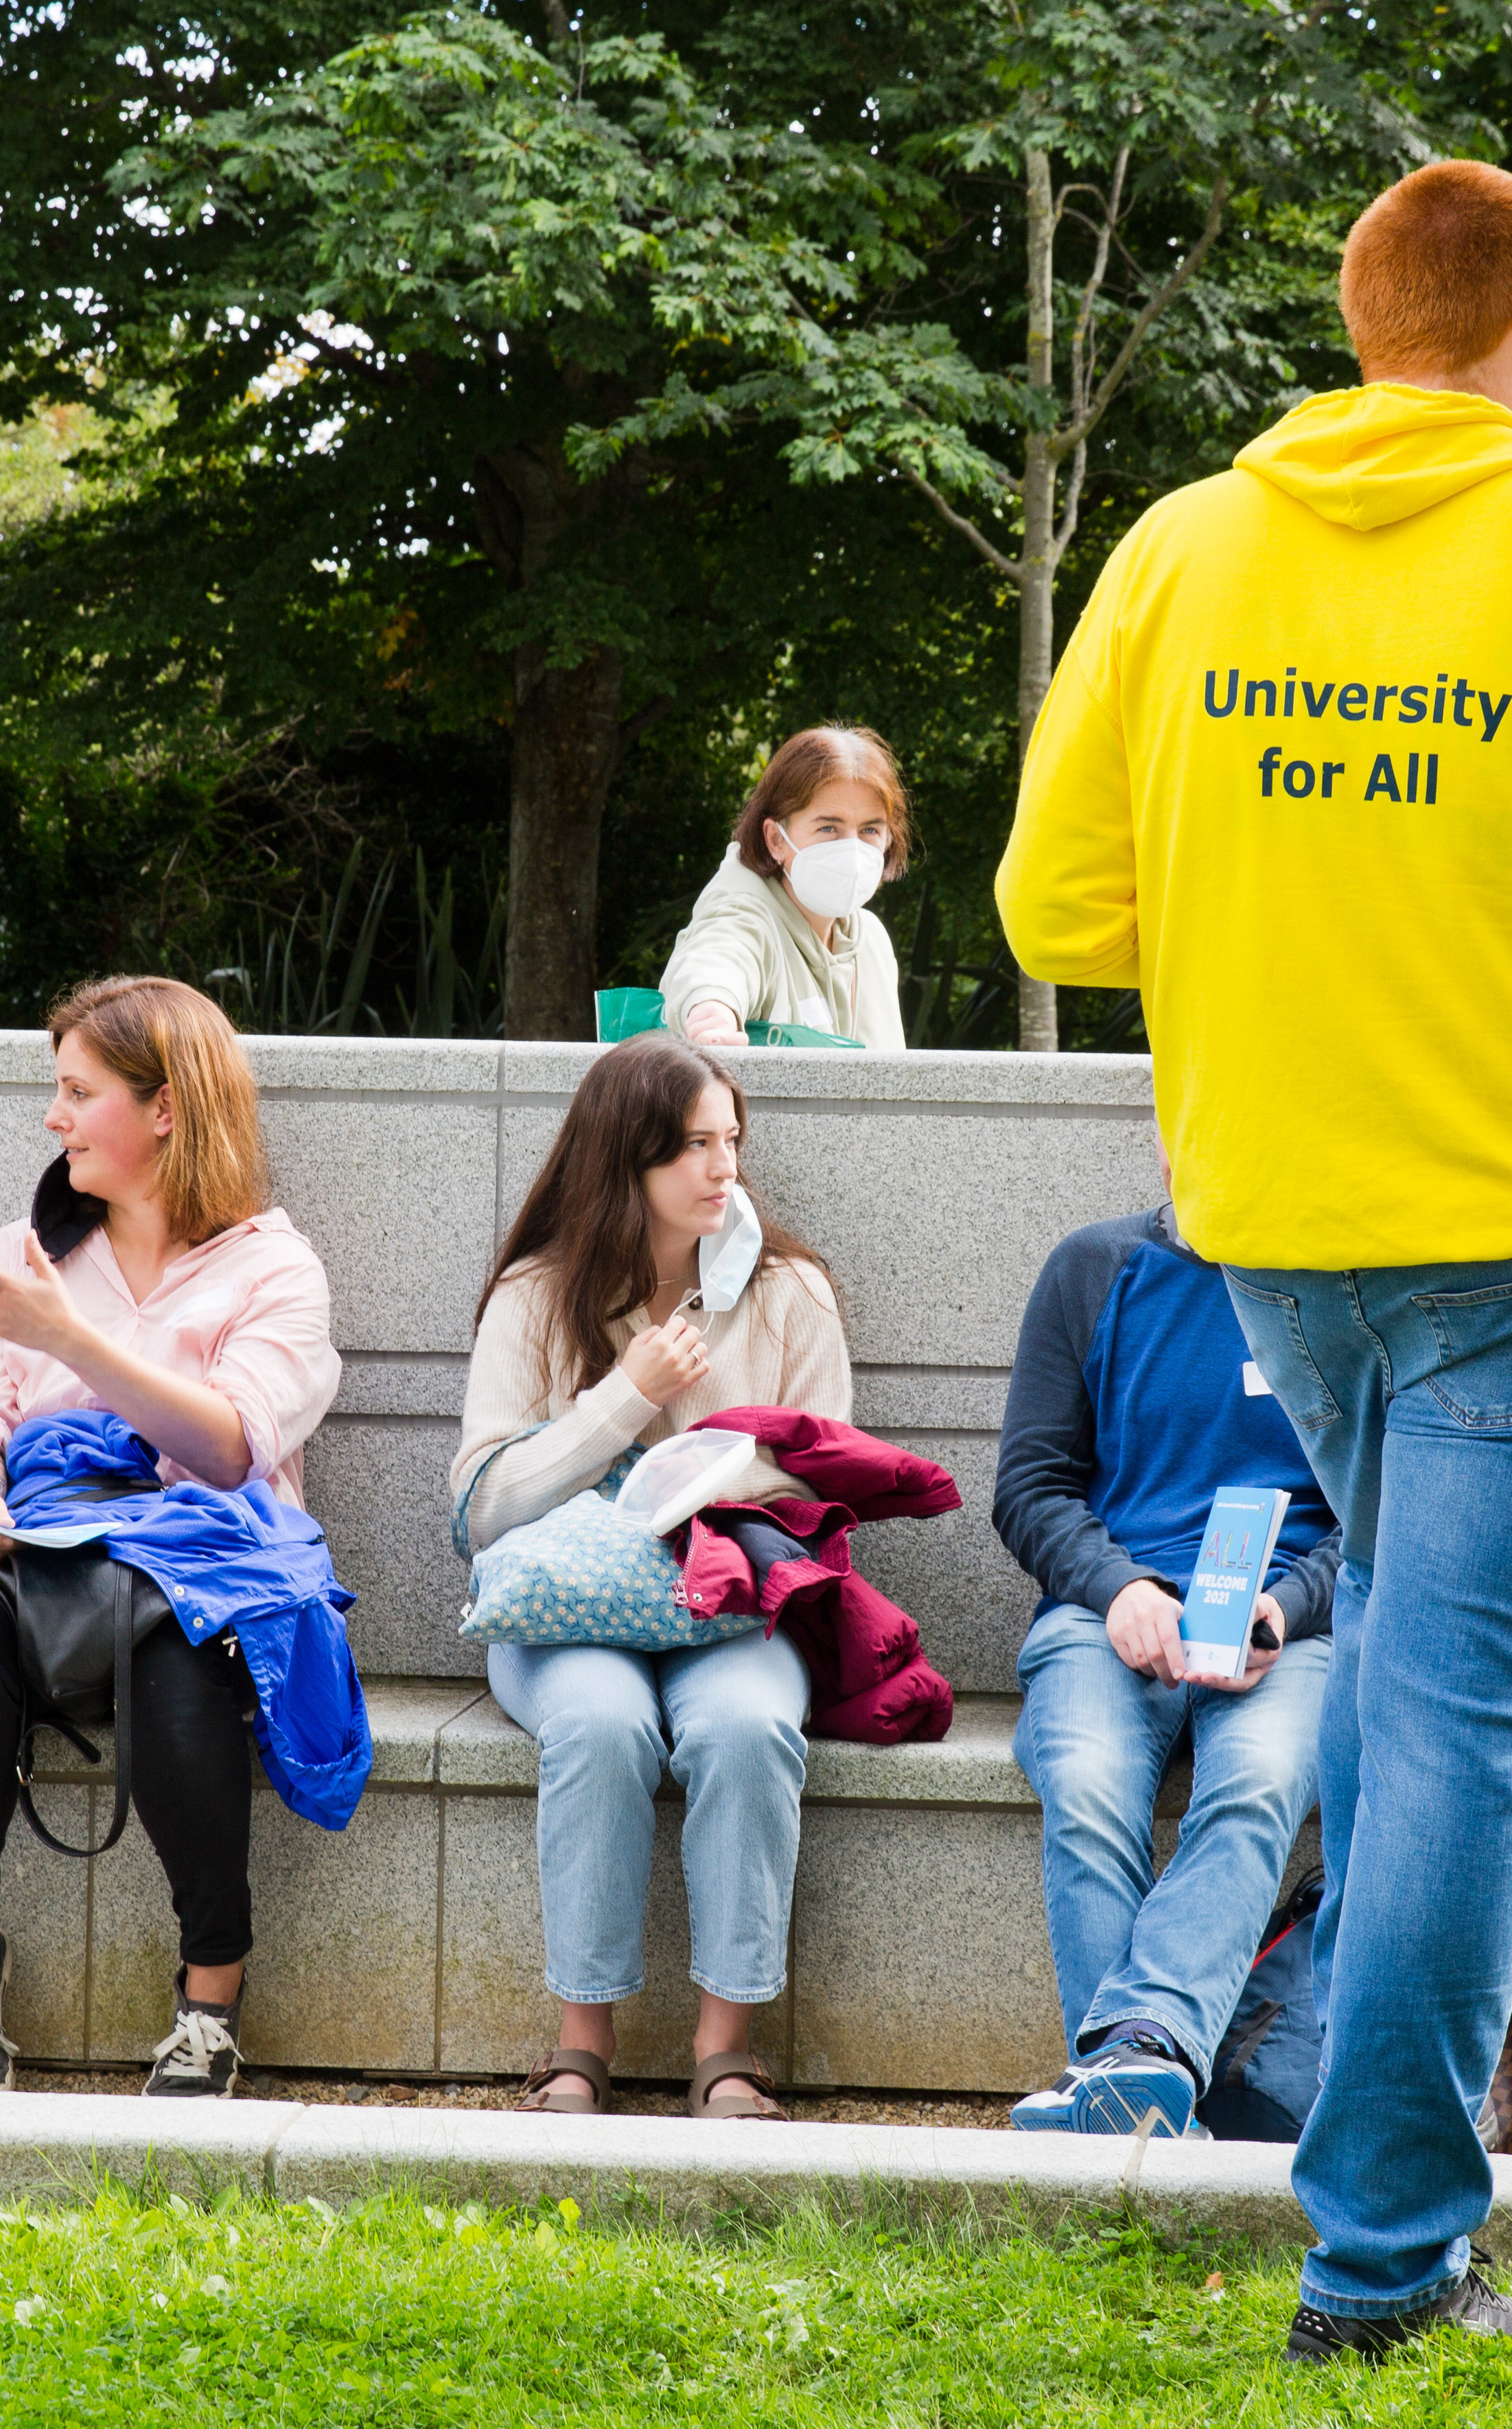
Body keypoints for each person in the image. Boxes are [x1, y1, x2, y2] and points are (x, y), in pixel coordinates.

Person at [997, 161, 1512, 2360]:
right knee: (1454, 1724)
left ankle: (1356, 2177)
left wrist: (1294, 886)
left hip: (1279, 1234)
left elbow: (1055, 918)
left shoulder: (1179, 553)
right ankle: (1375, 2268)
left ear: (1363, 323)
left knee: (1392, 1691)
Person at [0, 976, 341, 2097]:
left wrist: (67, 1337)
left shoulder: (273, 1267)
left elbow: (234, 1444)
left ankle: (208, 2000)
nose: (53, 1116)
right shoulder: (31, 1246)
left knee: (182, 1676)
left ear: (166, 1109)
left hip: (196, 1558)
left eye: (76, 1090)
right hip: (33, 1546)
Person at [456, 1034, 850, 2122]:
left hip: (729, 1611)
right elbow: (484, 1508)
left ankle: (726, 2050)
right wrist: (625, 1397)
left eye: (731, 1140)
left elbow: (829, 1483)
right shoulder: (537, 1298)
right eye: (690, 1146)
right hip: (568, 1618)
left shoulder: (789, 1295)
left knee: (745, 1729)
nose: (723, 1168)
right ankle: (583, 2045)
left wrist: (714, 1466)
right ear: (622, 1161)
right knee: (601, 1722)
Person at [994, 1194, 1342, 2137]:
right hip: (1107, 1615)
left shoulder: (1343, 1280)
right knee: (1087, 1777)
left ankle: (1131, 2066)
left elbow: (1380, 1502)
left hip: (1289, 1626)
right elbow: (1029, 1485)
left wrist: (1287, 1606)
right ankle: (1144, 2086)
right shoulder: (1093, 1266)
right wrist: (1119, 1589)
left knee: (1259, 1780)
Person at [660, 725, 911, 1051]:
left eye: (869, 830)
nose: (852, 849)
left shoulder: (873, 941)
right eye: (828, 827)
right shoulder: (745, 913)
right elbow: (719, 955)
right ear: (776, 839)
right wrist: (713, 1011)